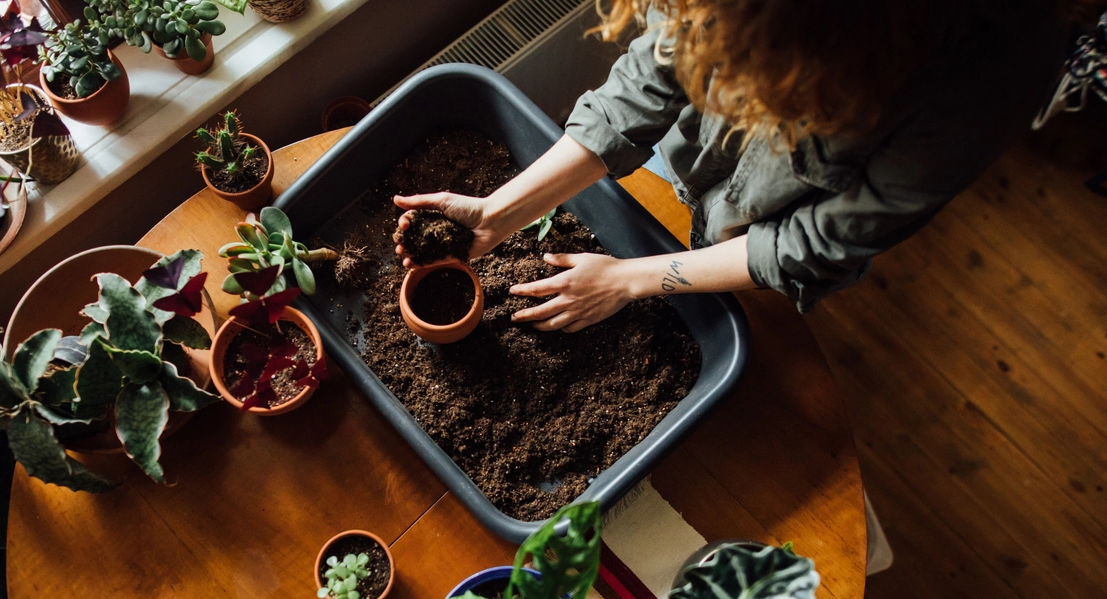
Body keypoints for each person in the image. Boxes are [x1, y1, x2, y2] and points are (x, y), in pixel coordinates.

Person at [394, 0, 1070, 332]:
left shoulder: (990, 74)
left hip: (759, 244)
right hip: (681, 180)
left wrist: (627, 282)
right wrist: (499, 214)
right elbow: (654, 76)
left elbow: (816, 243)